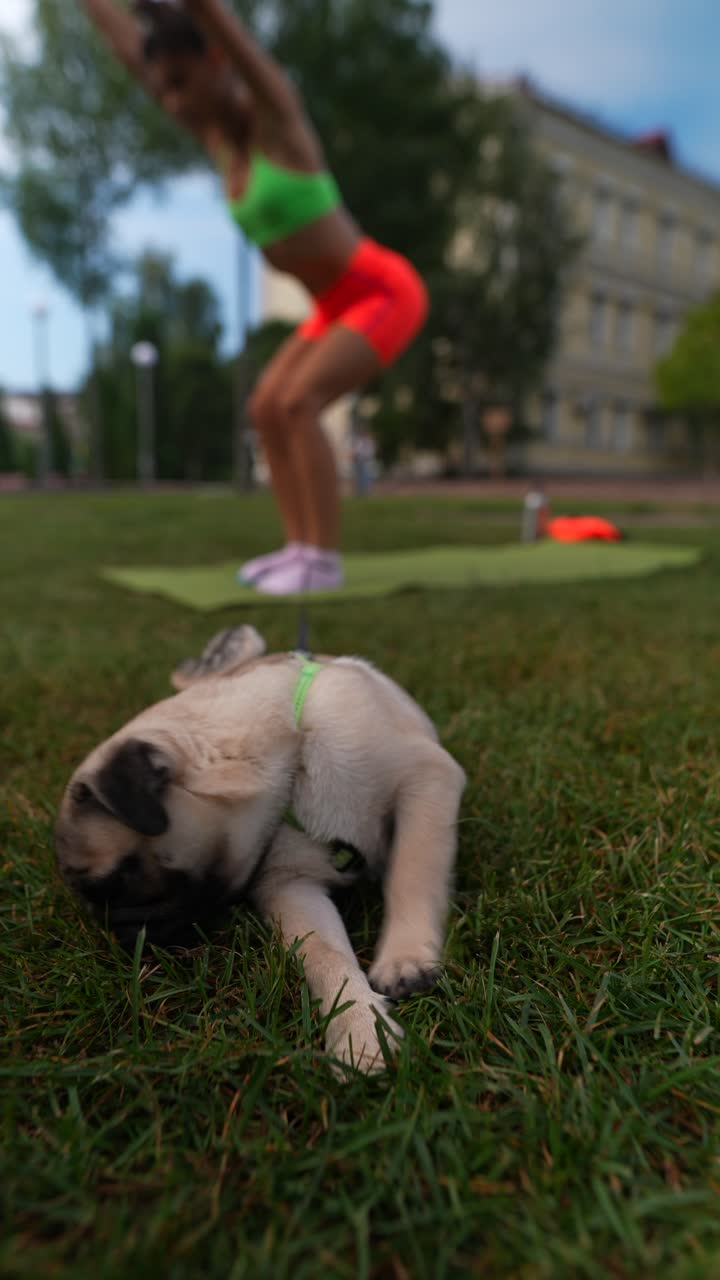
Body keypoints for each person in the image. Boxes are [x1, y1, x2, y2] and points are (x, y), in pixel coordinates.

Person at [81, 0, 429, 593]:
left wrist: (206, 13)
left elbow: (240, 46)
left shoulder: (277, 124)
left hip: (382, 289)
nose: (172, 101)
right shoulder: (213, 137)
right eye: (164, 91)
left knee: (298, 402)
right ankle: (297, 549)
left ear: (216, 62)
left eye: (182, 84)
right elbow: (128, 49)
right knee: (265, 407)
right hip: (334, 306)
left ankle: (322, 560)